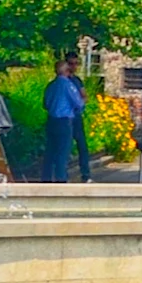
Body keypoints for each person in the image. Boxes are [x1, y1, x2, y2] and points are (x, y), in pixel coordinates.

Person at [45, 54, 89, 185]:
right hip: (65, 120)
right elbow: (79, 102)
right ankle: (61, 179)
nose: (73, 68)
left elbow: (45, 104)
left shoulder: (51, 85)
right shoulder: (68, 84)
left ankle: (46, 179)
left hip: (52, 119)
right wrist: (80, 105)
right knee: (63, 152)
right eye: (70, 66)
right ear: (65, 70)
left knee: (50, 150)